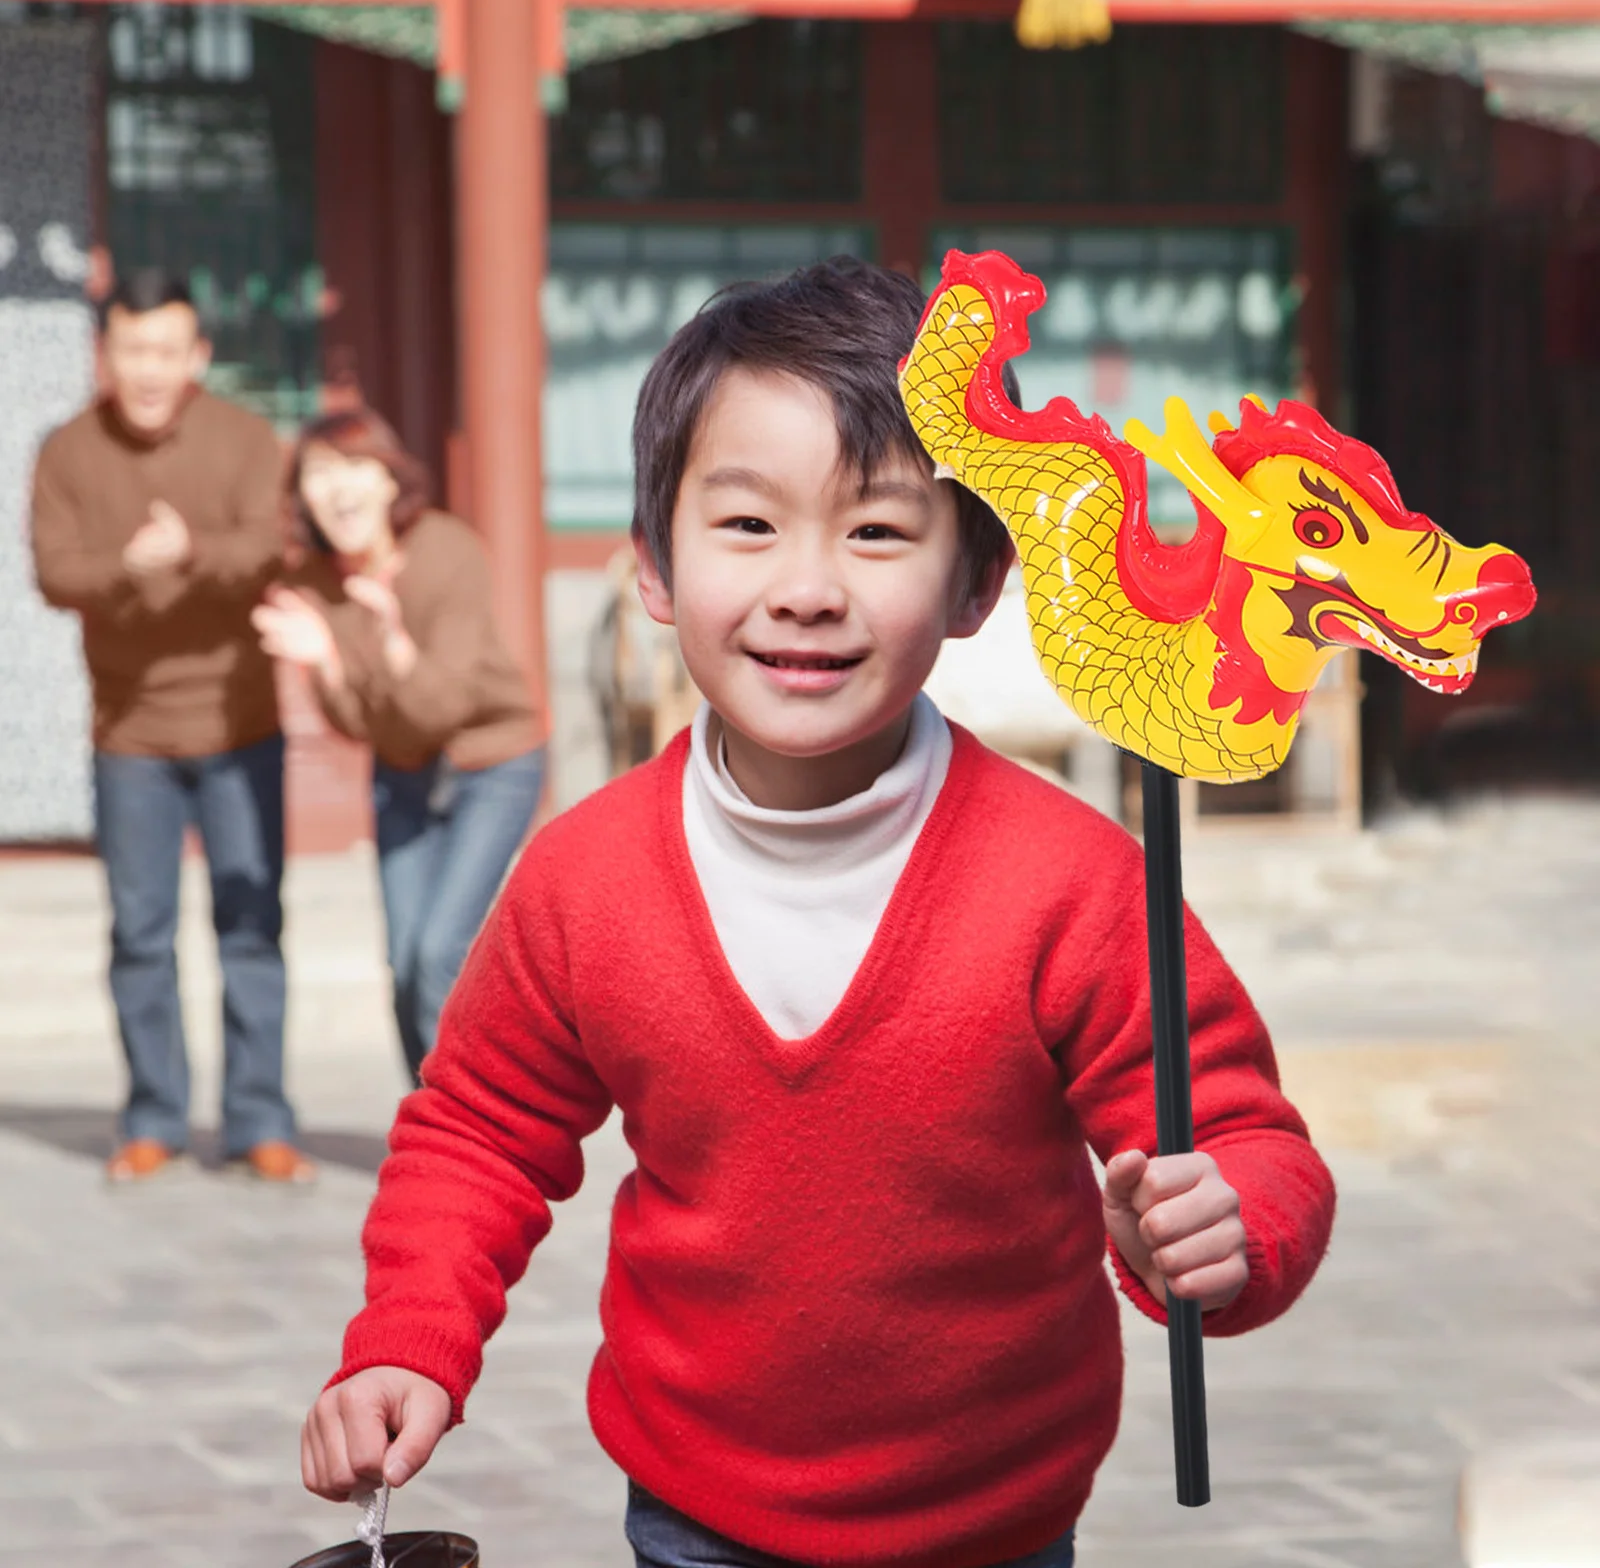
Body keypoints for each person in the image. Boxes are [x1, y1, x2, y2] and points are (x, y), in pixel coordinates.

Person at [300, 260, 1336, 1567]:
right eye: (747, 526)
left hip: (997, 1524)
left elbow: (1243, 1131)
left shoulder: (1072, 882)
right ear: (654, 570)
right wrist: (408, 1338)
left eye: (878, 531)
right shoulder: (586, 880)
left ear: (973, 584)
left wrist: (1226, 1225)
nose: (808, 586)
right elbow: (480, 1132)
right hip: (698, 1511)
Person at [29, 268, 312, 1185]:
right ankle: (152, 1117)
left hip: (240, 723)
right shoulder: (68, 449)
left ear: (196, 355)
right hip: (130, 737)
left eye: (165, 350)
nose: (148, 370)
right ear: (104, 353)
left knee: (250, 926)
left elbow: (270, 547)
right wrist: (136, 565)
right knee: (141, 934)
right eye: (130, 349)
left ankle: (259, 1119)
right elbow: (56, 571)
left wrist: (185, 554)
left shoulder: (241, 437)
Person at [252, 409, 544, 1085]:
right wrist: (326, 663)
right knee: (403, 959)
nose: (339, 489)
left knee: (441, 950)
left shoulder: (447, 549)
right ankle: (436, 1120)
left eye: (356, 466)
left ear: (389, 480)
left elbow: (437, 709)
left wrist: (392, 646)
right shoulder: (314, 586)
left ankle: (476, 1128)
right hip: (403, 775)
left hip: (492, 764)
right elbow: (361, 727)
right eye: (319, 474)